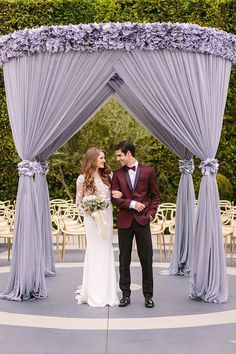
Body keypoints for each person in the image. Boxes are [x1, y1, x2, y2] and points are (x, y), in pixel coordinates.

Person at [111, 141, 160, 308]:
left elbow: (155, 197)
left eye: (120, 155)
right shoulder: (116, 174)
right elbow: (114, 198)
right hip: (125, 222)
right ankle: (125, 295)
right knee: (124, 260)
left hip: (142, 221)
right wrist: (131, 203)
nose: (118, 158)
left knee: (146, 259)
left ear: (129, 153)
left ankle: (148, 296)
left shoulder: (149, 171)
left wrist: (150, 215)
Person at [75, 147, 121, 307]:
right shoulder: (82, 179)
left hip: (106, 219)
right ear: (92, 159)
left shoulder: (109, 176)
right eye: (101, 158)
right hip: (91, 221)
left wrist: (118, 195)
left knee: (106, 250)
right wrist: (91, 211)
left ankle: (108, 292)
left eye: (104, 158)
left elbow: (113, 197)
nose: (104, 160)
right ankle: (93, 291)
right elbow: (79, 202)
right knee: (94, 251)